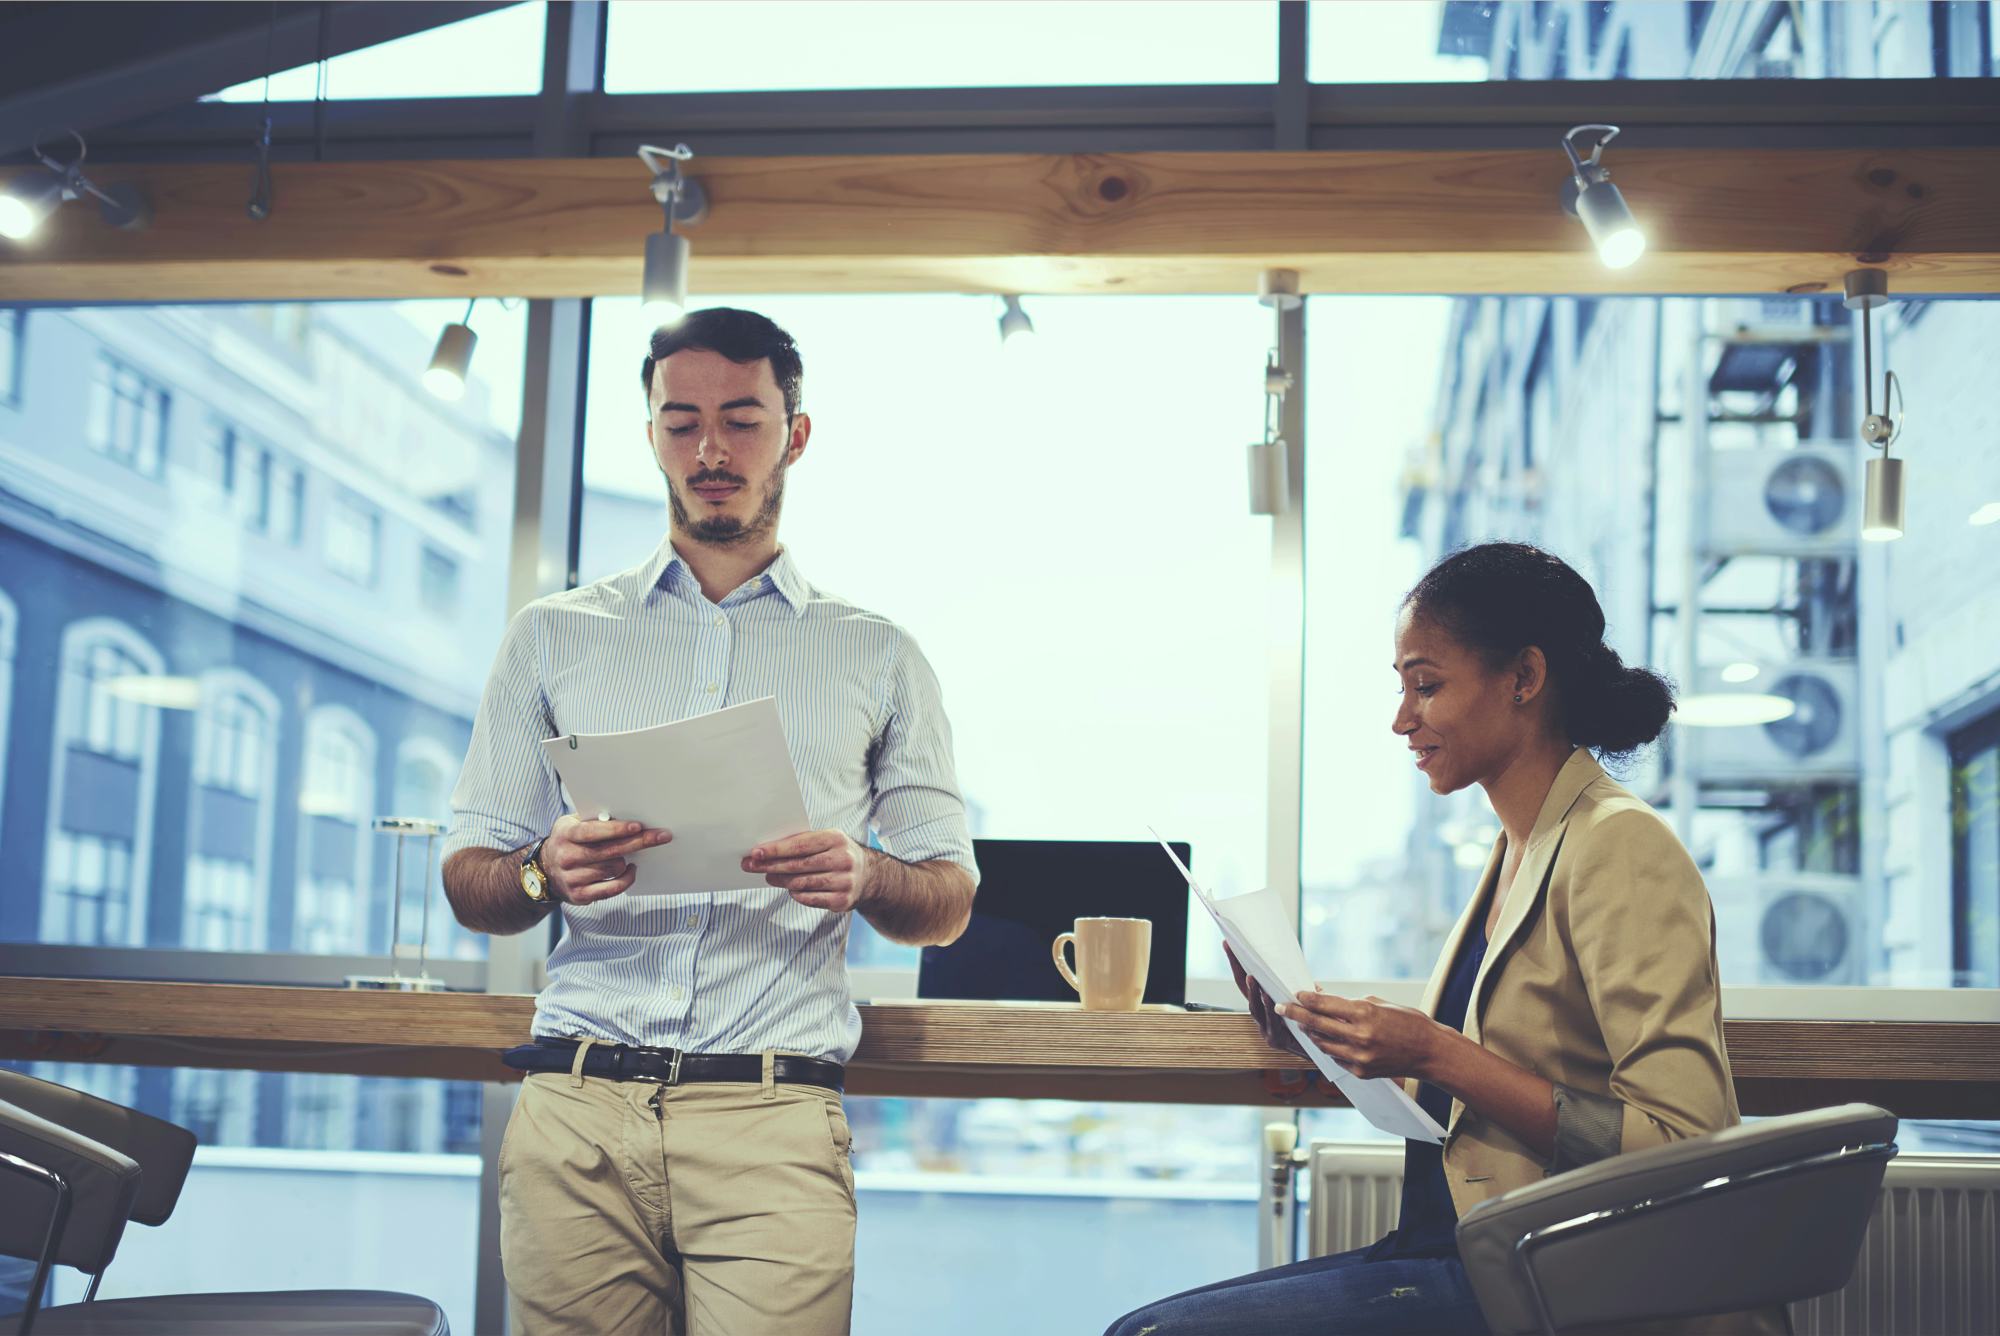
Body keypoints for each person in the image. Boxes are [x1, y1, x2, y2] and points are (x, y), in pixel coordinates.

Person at [443, 307, 978, 1336]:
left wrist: (865, 875)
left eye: (741, 419)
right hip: (577, 1107)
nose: (710, 450)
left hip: (771, 1119)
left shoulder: (878, 653)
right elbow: (471, 880)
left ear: (796, 433)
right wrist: (542, 871)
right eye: (680, 421)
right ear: (650, 435)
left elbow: (945, 900)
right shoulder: (551, 636)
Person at [1106, 542, 1783, 1336]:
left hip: (1554, 1278)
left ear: (1524, 679)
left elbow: (1685, 1142)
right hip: (1462, 1248)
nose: (1402, 720)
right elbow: (1490, 1096)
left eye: (1425, 686)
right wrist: (1326, 1048)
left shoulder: (1618, 844)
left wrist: (1433, 1050)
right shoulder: (1516, 848)